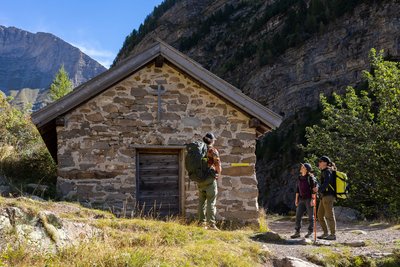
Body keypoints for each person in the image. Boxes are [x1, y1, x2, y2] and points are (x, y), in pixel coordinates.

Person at [198, 132, 222, 230]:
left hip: (199, 179)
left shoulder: (199, 150)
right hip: (209, 178)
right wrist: (219, 173)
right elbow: (217, 164)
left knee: (201, 202)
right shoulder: (212, 150)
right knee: (211, 201)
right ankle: (211, 224)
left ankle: (201, 223)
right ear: (211, 140)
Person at [291, 163, 318, 238]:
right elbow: (297, 189)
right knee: (298, 216)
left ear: (306, 169)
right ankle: (297, 232)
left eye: (302, 167)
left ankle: (310, 232)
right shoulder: (299, 177)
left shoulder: (310, 178)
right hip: (301, 199)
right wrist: (296, 199)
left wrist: (312, 200)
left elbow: (314, 190)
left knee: (310, 216)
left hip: (309, 199)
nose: (301, 167)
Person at [316, 156, 337, 240]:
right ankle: (325, 233)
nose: (319, 163)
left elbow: (326, 183)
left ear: (325, 163)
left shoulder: (327, 171)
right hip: (324, 196)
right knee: (320, 215)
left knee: (329, 215)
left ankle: (333, 234)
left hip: (328, 196)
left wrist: (318, 189)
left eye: (320, 161)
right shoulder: (324, 171)